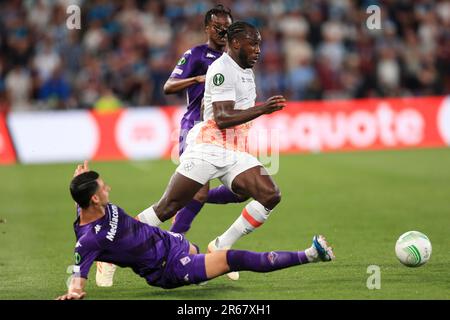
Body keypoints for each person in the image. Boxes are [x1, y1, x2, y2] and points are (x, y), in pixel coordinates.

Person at [95, 5, 246, 286]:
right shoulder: (197, 55)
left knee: (243, 190)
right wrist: (199, 78)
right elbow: (169, 86)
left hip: (225, 133)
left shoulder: (235, 59)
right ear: (207, 28)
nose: (223, 31)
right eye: (218, 27)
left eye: (228, 26)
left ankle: (197, 244)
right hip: (196, 130)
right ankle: (116, 255)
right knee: (197, 194)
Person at [136, 21, 288, 282]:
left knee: (268, 195)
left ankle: (221, 245)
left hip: (233, 150)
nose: (258, 50)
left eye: (260, 44)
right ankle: (117, 245)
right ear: (237, 43)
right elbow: (222, 117)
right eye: (254, 43)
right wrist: (263, 108)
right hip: (208, 146)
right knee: (168, 207)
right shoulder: (221, 69)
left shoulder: (246, 71)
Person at [56, 161, 335, 300]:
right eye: (103, 187)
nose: (108, 189)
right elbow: (78, 276)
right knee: (231, 259)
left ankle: (202, 268)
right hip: (167, 267)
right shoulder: (88, 241)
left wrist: (80, 180)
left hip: (170, 242)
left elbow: (81, 204)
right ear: (94, 198)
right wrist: (74, 291)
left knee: (201, 257)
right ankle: (311, 254)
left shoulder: (91, 207)